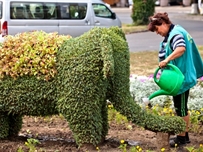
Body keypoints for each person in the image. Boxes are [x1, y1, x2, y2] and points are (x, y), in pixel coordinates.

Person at [147, 12, 203, 147]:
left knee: (182, 108)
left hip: (181, 78)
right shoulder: (176, 31)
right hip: (180, 76)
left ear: (163, 23)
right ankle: (184, 134)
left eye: (156, 29)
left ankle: (182, 139)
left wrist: (166, 60)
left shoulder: (176, 34)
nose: (157, 32)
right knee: (179, 107)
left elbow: (181, 48)